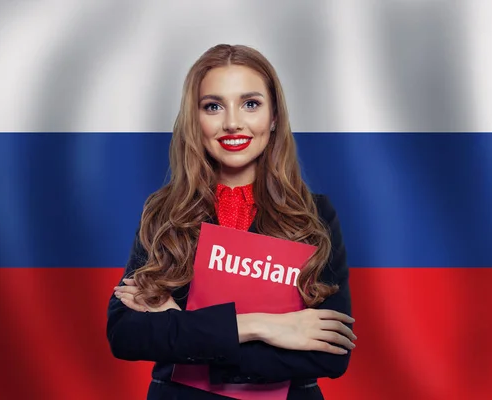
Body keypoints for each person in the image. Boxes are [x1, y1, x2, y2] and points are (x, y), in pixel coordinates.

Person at [107, 44, 356, 400]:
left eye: (250, 104)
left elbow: (330, 354)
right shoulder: (165, 211)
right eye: (213, 106)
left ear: (273, 117)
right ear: (196, 119)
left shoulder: (314, 215)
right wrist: (262, 326)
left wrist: (183, 329)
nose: (232, 122)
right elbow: (126, 333)